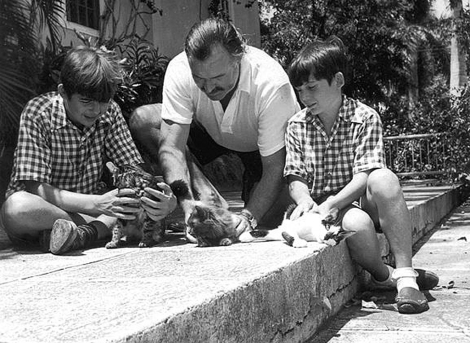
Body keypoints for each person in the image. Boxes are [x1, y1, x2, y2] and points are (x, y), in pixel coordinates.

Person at [284, 37, 438, 314]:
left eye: (312, 87)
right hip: (323, 208)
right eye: (299, 90)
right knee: (358, 225)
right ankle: (385, 277)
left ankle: (406, 276)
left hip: (356, 196)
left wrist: (335, 202)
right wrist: (303, 198)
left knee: (385, 178)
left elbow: (365, 173)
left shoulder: (365, 117)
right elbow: (294, 173)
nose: (305, 97)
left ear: (338, 80)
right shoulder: (297, 124)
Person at [130, 18, 300, 242]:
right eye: (199, 78)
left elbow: (275, 168)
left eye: (218, 78)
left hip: (264, 153)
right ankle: (206, 193)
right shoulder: (180, 69)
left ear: (238, 58)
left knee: (264, 222)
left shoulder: (271, 85)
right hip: (210, 132)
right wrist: (187, 203)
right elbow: (172, 147)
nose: (209, 88)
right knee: (145, 120)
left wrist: (248, 216)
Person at [0, 46, 177, 255]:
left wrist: (167, 201)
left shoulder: (109, 113)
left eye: (104, 102)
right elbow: (35, 187)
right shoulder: (38, 112)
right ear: (63, 92)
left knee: (127, 204)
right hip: (45, 211)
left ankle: (74, 235)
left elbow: (135, 171)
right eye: (86, 101)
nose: (96, 110)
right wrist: (98, 203)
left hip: (92, 209)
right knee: (16, 206)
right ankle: (90, 231)